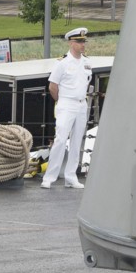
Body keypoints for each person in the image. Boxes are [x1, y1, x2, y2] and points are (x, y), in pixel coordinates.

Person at [41, 27, 93, 188]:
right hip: (66, 103)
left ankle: (71, 176)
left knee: (77, 140)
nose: (82, 44)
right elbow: (52, 86)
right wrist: (61, 101)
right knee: (60, 139)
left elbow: (86, 82)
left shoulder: (87, 62)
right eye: (79, 41)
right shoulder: (62, 63)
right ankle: (49, 177)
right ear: (71, 43)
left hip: (81, 104)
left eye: (83, 41)